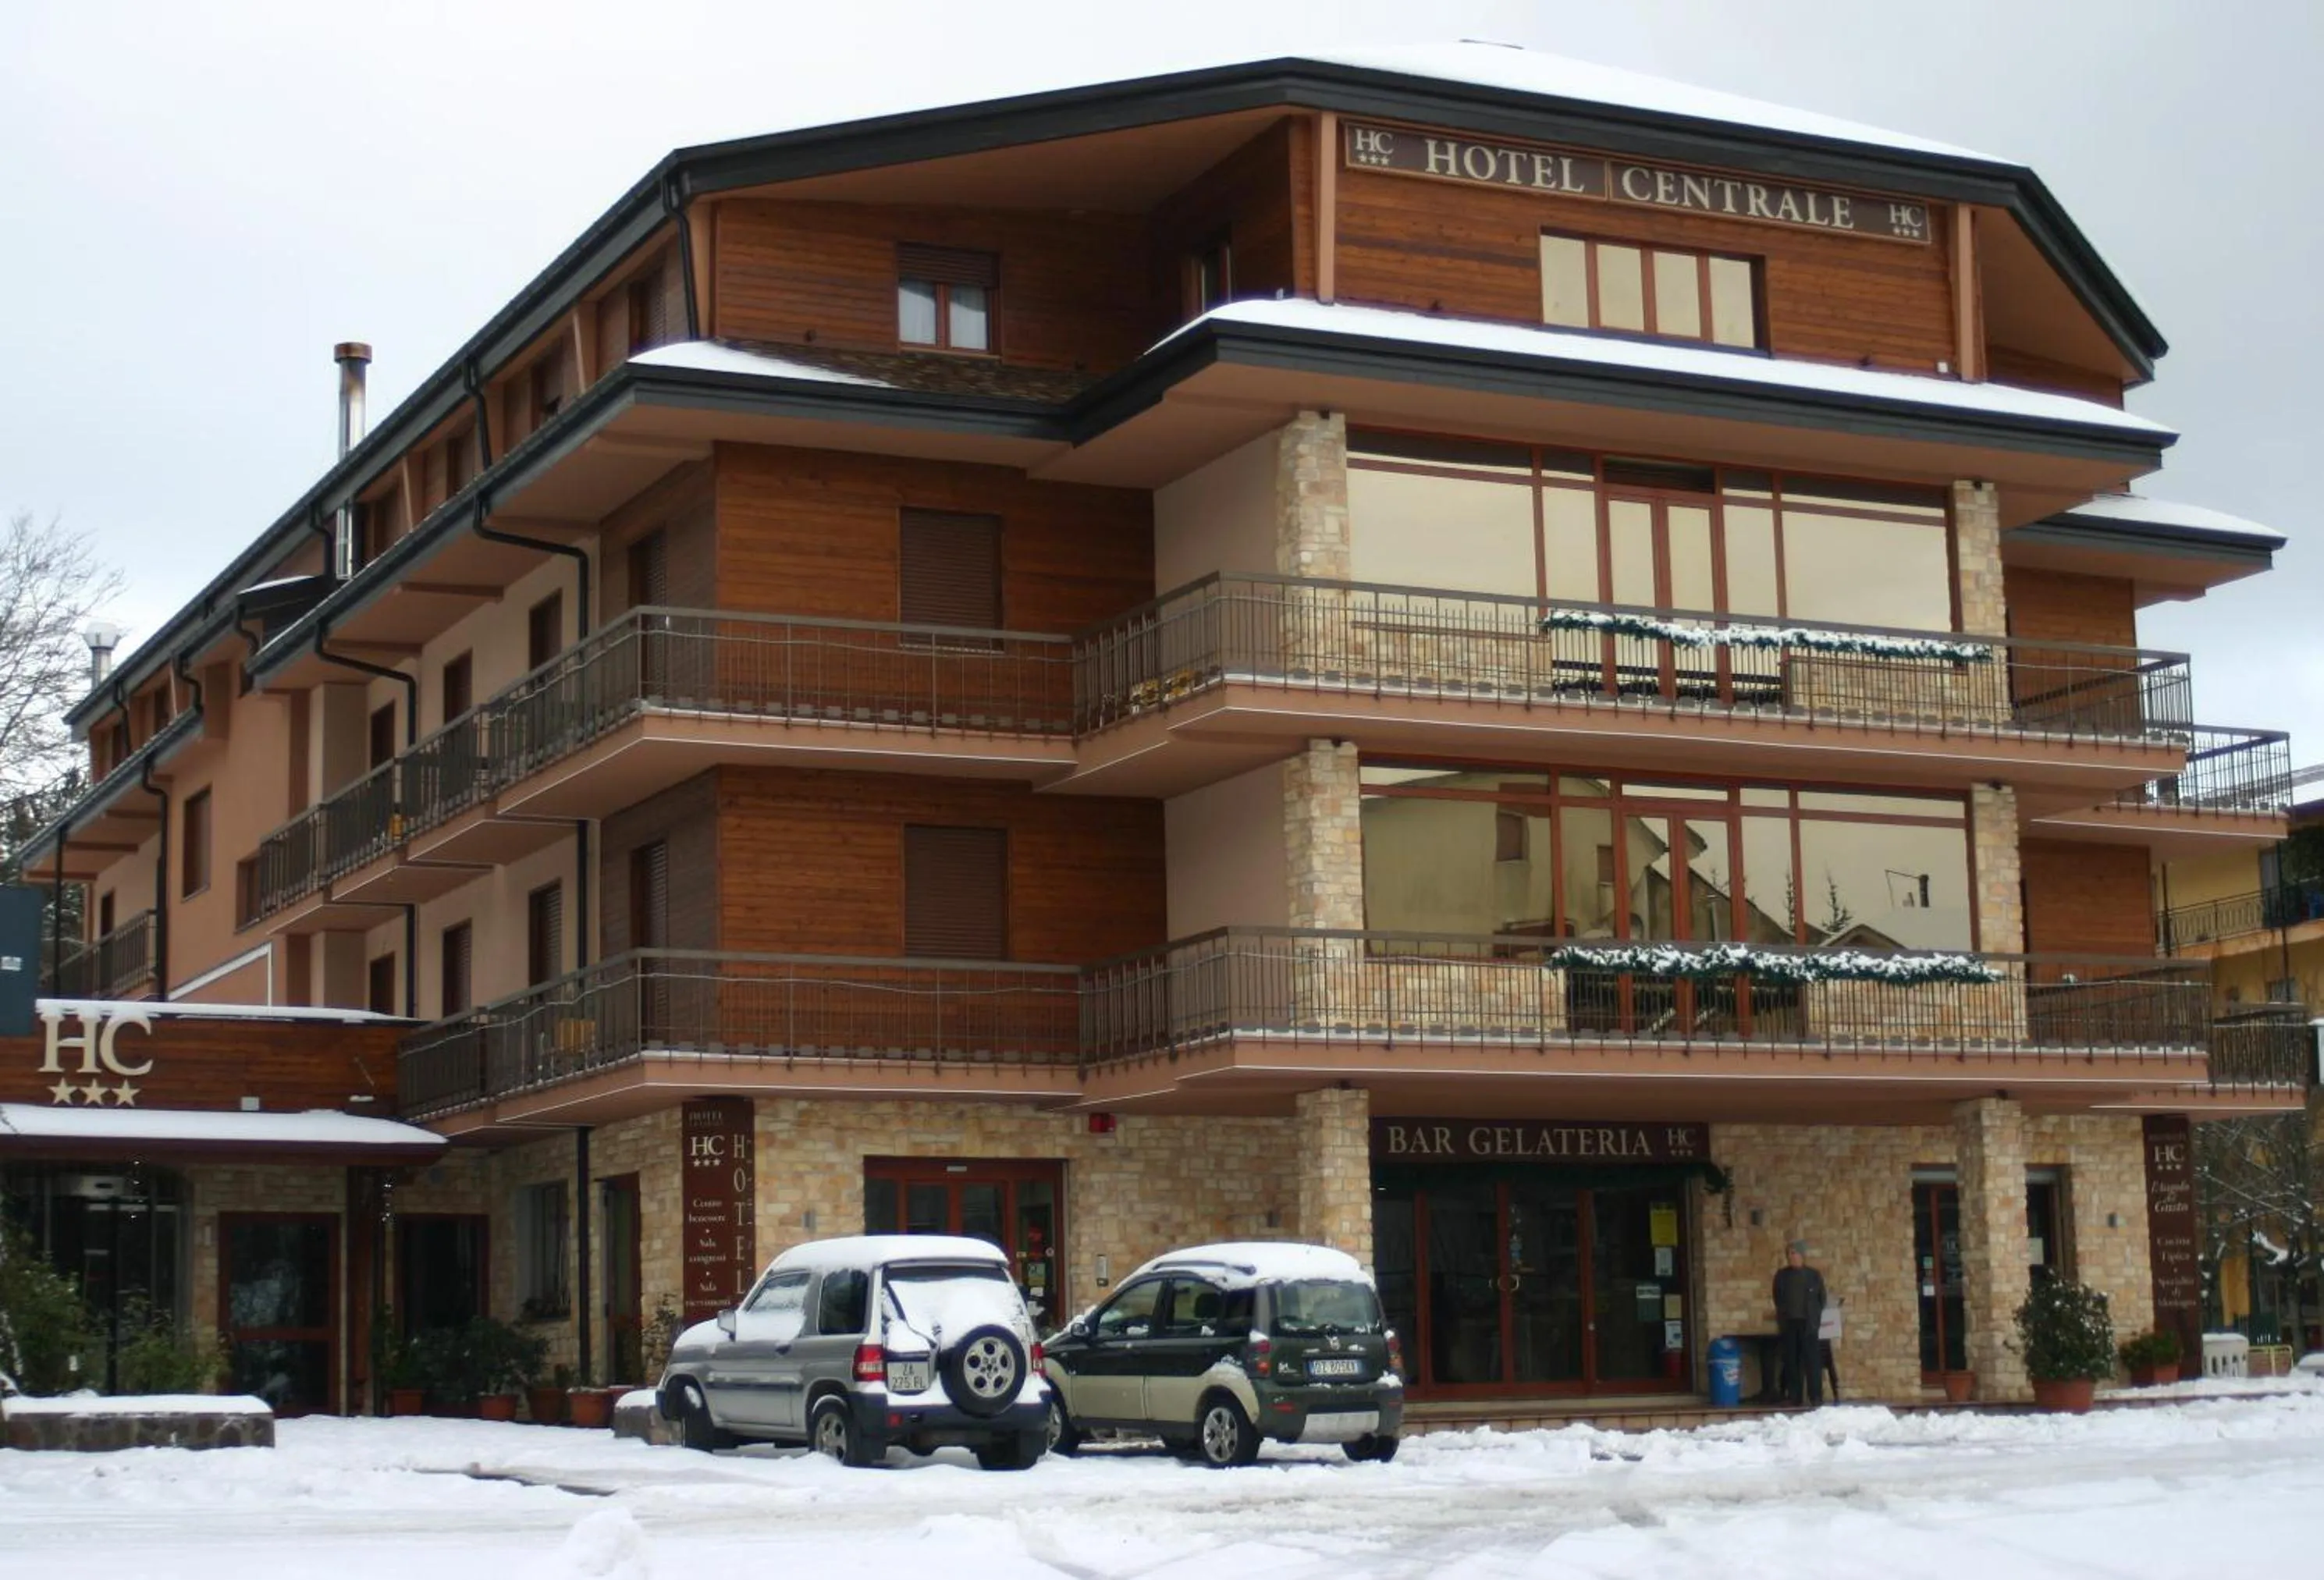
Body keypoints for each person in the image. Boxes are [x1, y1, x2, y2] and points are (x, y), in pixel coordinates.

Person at [1772, 1241, 1828, 1407]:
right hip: (1790, 1323)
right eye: (1789, 1254)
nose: (1791, 1257)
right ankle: (1794, 1396)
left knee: (1812, 1360)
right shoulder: (1782, 1276)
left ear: (1802, 1255)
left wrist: (1815, 1317)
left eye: (1794, 1253)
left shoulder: (1813, 1275)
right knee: (1791, 1360)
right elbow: (1777, 1297)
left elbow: (1821, 1298)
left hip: (1808, 1324)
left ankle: (1815, 1396)